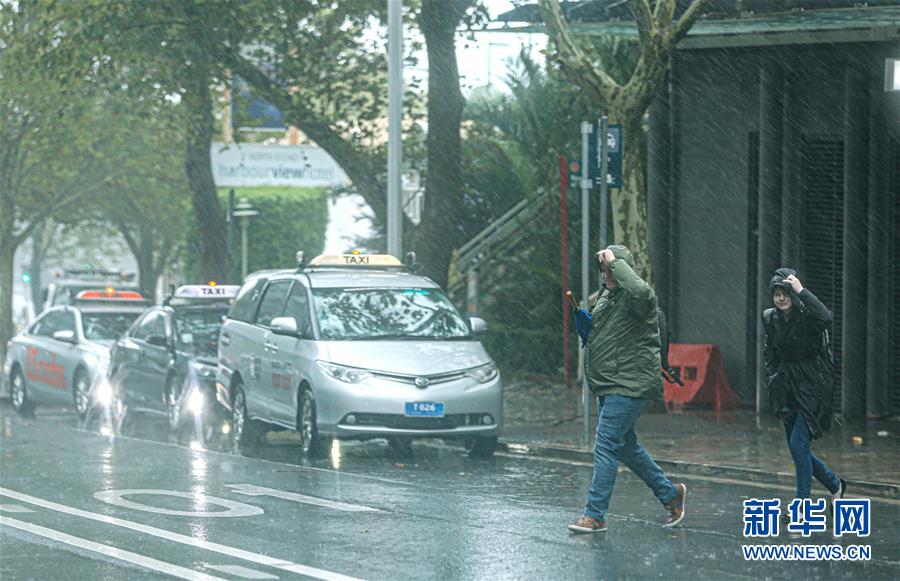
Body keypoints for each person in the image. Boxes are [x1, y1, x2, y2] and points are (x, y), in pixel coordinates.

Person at [568, 245, 686, 534]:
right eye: (604, 270)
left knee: (606, 443)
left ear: (625, 269)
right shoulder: (608, 296)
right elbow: (606, 334)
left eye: (613, 269)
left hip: (628, 383)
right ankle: (671, 495)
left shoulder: (639, 299)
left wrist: (616, 262)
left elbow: (643, 292)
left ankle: (594, 515)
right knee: (626, 447)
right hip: (608, 382)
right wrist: (586, 324)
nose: (607, 274)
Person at [762, 268, 846, 510]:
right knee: (797, 448)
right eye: (777, 294)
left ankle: (802, 503)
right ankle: (835, 485)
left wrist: (801, 289)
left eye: (786, 293)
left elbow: (826, 318)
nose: (781, 298)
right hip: (786, 387)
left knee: (799, 445)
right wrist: (772, 376)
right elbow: (770, 353)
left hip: (813, 386)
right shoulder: (770, 318)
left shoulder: (808, 315)